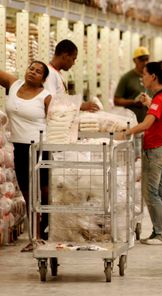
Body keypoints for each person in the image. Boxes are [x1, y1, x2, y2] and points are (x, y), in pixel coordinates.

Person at [0, 61, 51, 243]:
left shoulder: (46, 97)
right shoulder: (14, 85)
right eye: (31, 68)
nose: (33, 72)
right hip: (20, 147)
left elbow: (57, 116)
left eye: (38, 72)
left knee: (44, 192)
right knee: (28, 192)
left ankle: (47, 231)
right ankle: (34, 236)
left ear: (43, 79)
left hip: (40, 148)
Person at [125, 62, 162, 245]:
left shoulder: (160, 100)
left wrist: (126, 132)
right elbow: (158, 120)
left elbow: (146, 124)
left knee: (151, 193)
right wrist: (149, 104)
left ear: (153, 76)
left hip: (155, 152)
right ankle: (161, 231)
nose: (142, 78)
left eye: (144, 74)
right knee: (161, 193)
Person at [45, 39, 99, 112]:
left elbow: (61, 99)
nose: (73, 63)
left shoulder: (56, 72)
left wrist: (79, 104)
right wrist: (79, 106)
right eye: (73, 59)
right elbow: (51, 103)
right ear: (65, 56)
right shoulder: (49, 73)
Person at [114, 46, 151, 123]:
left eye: (146, 59)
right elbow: (117, 100)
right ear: (135, 60)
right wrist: (133, 102)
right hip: (134, 122)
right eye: (141, 60)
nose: (145, 63)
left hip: (151, 121)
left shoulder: (153, 77)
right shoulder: (127, 78)